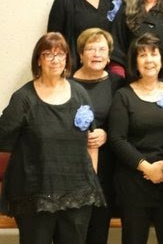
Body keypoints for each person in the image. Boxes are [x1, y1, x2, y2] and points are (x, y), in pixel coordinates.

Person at [0, 32, 105, 243]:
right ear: (38, 60)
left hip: (77, 193)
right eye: (48, 54)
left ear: (67, 58)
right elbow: (3, 138)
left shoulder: (79, 94)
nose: (55, 60)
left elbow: (91, 141)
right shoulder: (23, 98)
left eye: (60, 54)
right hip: (35, 193)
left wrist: (91, 175)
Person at [109, 33, 163, 244]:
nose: (149, 60)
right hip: (134, 182)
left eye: (154, 54)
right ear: (135, 62)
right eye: (142, 55)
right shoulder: (123, 96)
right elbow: (117, 139)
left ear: (162, 59)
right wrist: (147, 168)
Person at [71, 28, 126, 244]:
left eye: (102, 49)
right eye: (90, 49)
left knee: (98, 228)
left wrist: (107, 133)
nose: (96, 54)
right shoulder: (67, 83)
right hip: (72, 165)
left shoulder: (117, 83)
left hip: (106, 165)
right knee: (73, 227)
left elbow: (127, 123)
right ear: (81, 54)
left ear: (109, 54)